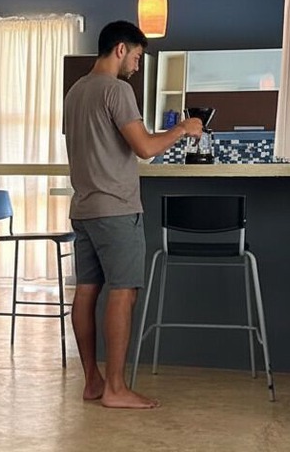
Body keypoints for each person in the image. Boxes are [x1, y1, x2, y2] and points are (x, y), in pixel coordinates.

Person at [63, 21, 204, 409]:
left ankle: (93, 381)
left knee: (87, 291)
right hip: (116, 209)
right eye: (138, 57)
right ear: (121, 49)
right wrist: (183, 128)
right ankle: (116, 388)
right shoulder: (117, 89)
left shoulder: (76, 91)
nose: (138, 66)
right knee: (123, 292)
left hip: (84, 208)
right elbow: (144, 148)